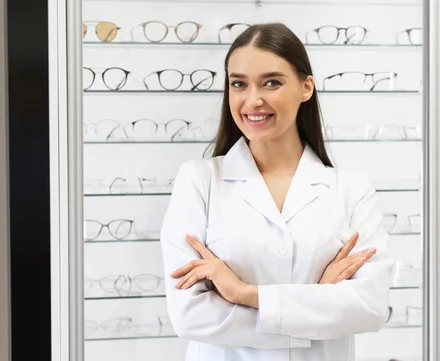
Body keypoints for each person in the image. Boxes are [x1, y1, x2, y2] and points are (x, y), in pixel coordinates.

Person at [160, 22, 394, 361]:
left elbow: (369, 308)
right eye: (239, 84)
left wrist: (245, 294)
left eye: (272, 82)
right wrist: (317, 301)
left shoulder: (351, 190)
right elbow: (190, 316)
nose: (253, 100)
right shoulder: (198, 181)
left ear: (305, 87)